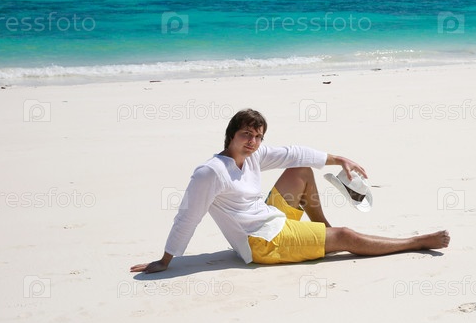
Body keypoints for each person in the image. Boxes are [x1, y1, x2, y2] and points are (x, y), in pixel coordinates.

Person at [131, 109, 450, 273]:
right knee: (347, 235)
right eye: (246, 135)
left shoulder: (253, 155)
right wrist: (165, 260)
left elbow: (293, 153)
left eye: (258, 136)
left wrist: (339, 158)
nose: (253, 142)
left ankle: (323, 233)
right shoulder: (210, 172)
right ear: (231, 135)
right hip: (260, 243)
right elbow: (187, 216)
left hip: (269, 218)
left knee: (301, 170)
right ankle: (417, 241)